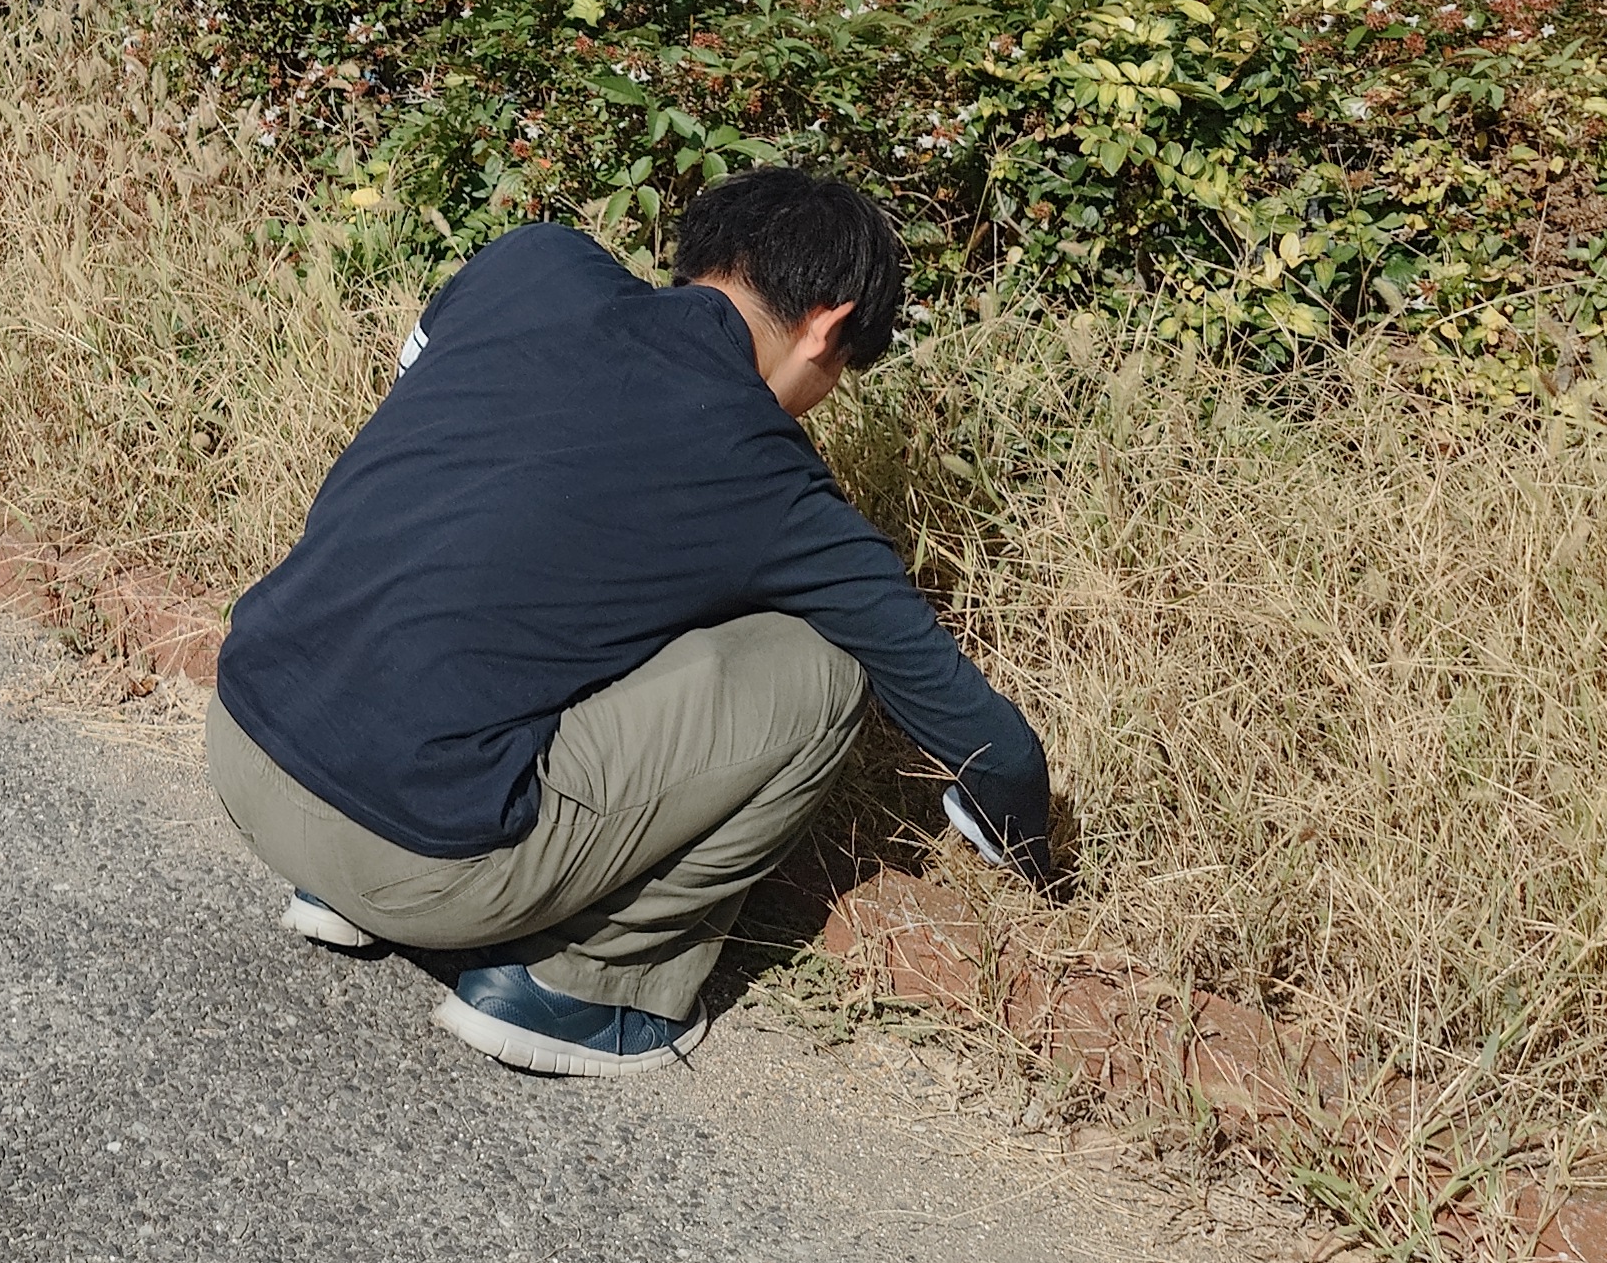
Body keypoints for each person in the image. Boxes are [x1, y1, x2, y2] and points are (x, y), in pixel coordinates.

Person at [207, 170, 1056, 1079]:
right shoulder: (768, 477)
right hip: (421, 865)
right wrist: (1037, 863)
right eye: (842, 368)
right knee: (823, 674)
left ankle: (342, 888)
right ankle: (585, 985)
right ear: (827, 323)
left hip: (245, 740)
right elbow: (987, 746)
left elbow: (423, 397)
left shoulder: (532, 262)